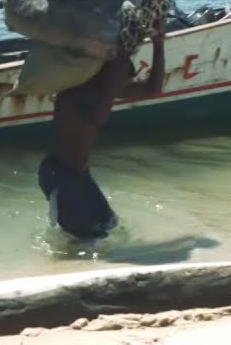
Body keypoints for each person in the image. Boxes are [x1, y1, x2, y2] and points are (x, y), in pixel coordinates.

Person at [38, 24, 166, 240]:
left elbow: (153, 88)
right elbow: (114, 77)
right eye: (124, 74)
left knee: (110, 224)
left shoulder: (102, 90)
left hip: (79, 177)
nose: (126, 83)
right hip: (60, 178)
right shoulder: (78, 95)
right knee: (86, 243)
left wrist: (158, 44)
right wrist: (123, 53)